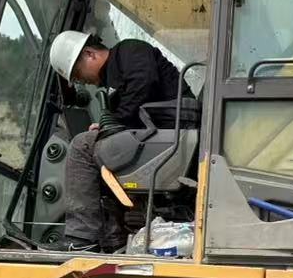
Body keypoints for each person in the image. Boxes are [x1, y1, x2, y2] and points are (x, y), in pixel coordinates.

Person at [47, 30, 188, 251]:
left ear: (90, 54)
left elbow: (144, 83)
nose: (82, 81)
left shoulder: (130, 51)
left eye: (77, 74)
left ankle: (81, 238)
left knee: (82, 146)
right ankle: (113, 239)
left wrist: (115, 122)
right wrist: (108, 125)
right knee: (99, 156)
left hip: (170, 126)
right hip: (160, 128)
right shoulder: (117, 77)